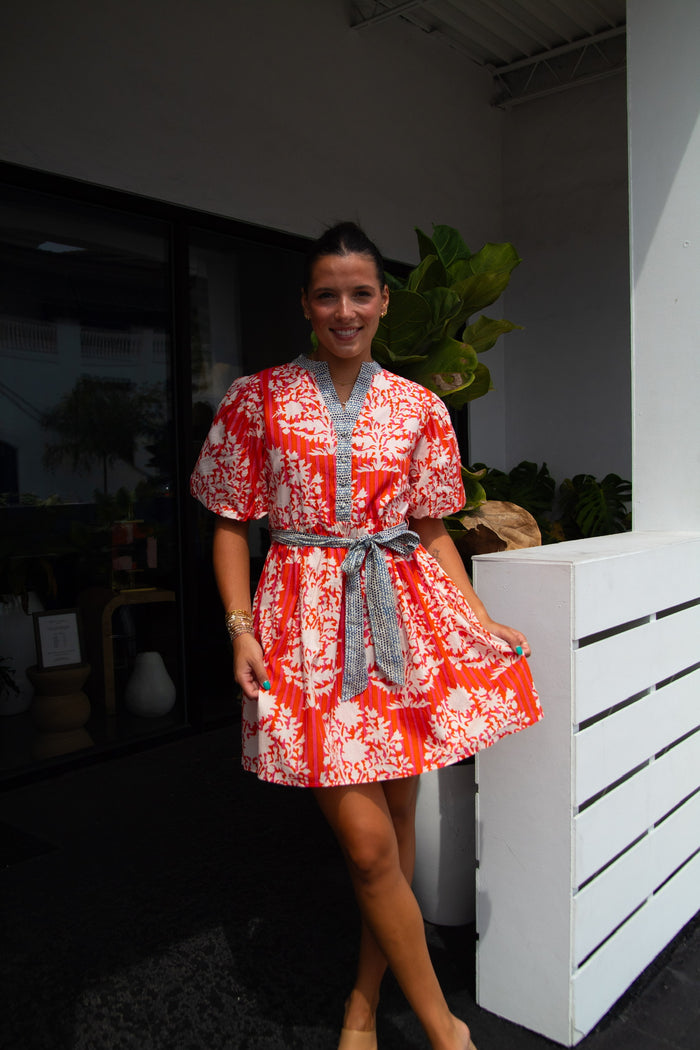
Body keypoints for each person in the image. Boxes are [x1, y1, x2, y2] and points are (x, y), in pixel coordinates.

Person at [190, 221, 542, 1050]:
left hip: (402, 626)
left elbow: (433, 528)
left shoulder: (420, 407)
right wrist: (240, 631)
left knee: (390, 834)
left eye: (360, 293)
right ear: (306, 304)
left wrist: (477, 616)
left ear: (385, 302)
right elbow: (233, 527)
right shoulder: (257, 397)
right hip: (301, 632)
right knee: (367, 843)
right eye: (327, 294)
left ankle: (361, 1000)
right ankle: (445, 1029)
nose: (344, 310)